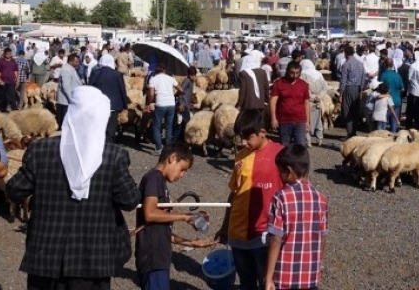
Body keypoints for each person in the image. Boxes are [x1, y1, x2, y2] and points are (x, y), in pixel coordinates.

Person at [6, 86, 141, 290]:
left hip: (45, 254)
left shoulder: (41, 150)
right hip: (93, 256)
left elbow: (15, 190)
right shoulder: (113, 155)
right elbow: (130, 200)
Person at [217, 110, 284, 289]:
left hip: (265, 234)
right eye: (241, 137)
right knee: (246, 282)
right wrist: (225, 227)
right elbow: (234, 194)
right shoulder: (240, 157)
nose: (244, 142)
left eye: (248, 138)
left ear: (262, 132)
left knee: (267, 281)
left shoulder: (281, 155)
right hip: (238, 233)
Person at [135, 143, 216, 290]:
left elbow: (163, 231)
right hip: (153, 258)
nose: (182, 174)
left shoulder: (160, 182)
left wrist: (192, 243)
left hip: (159, 258)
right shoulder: (154, 177)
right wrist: (185, 217)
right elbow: (149, 213)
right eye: (183, 169)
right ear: (172, 158)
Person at [265, 144, 329, 290]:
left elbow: (275, 238)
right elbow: (323, 236)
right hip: (310, 277)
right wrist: (318, 263)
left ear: (288, 171)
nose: (279, 176)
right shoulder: (321, 199)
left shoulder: (280, 198)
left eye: (280, 172)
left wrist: (268, 278)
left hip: (285, 276)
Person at [89, 54, 131, 142]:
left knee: (99, 128)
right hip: (113, 106)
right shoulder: (117, 74)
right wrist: (125, 105)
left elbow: (90, 88)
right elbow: (122, 90)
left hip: (98, 105)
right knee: (110, 128)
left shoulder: (95, 73)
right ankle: (109, 145)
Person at [270, 61, 311, 146]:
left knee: (300, 146)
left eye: (297, 73)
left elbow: (306, 103)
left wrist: (307, 121)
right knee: (284, 147)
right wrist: (273, 118)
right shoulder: (279, 83)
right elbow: (273, 100)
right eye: (292, 73)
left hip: (300, 120)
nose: (295, 75)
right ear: (288, 71)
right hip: (284, 120)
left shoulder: (303, 85)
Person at [148, 65, 183, 155]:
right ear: (164, 70)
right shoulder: (170, 78)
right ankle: (168, 148)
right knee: (169, 126)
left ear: (156, 70)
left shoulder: (153, 79)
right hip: (171, 104)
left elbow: (151, 95)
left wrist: (149, 103)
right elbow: (181, 89)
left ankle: (159, 148)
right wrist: (175, 95)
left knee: (156, 126)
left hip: (160, 104)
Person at [339, 45, 366, 139]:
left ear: (345, 53)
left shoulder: (346, 64)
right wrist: (361, 89)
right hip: (358, 88)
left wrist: (341, 92)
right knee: (355, 111)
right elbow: (363, 77)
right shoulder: (360, 63)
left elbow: (343, 80)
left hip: (349, 88)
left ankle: (350, 133)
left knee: (347, 111)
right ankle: (354, 131)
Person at [300, 59, 329, 147]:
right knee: (318, 120)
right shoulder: (319, 74)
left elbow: (304, 89)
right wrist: (319, 97)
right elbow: (325, 87)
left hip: (308, 101)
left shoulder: (303, 75)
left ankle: (308, 140)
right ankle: (319, 139)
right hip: (318, 101)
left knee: (307, 120)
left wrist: (312, 97)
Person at [379, 58, 404, 133]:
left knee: (383, 123)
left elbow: (380, 87)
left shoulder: (383, 75)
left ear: (385, 65)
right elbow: (402, 88)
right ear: (393, 65)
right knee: (394, 122)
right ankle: (393, 138)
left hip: (386, 101)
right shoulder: (397, 76)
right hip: (396, 101)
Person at [57, 53, 82, 127]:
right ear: (70, 62)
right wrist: (71, 99)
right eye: (76, 62)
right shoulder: (66, 70)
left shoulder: (71, 69)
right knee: (64, 122)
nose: (78, 63)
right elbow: (66, 86)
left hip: (69, 99)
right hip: (66, 100)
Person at [176, 67, 197, 143]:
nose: (195, 77)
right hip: (183, 105)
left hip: (186, 104)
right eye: (194, 76)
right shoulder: (187, 81)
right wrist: (181, 103)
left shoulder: (191, 82)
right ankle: (177, 140)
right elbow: (181, 91)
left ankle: (180, 140)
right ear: (190, 75)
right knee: (183, 122)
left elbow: (188, 93)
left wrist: (190, 102)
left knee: (184, 123)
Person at [0, 47, 19, 112]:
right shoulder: (0, 61)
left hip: (11, 81)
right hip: (2, 81)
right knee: (1, 96)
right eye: (7, 54)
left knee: (12, 96)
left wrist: (17, 79)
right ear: (4, 54)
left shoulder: (13, 61)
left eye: (10, 54)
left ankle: (14, 109)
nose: (9, 55)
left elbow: (15, 71)